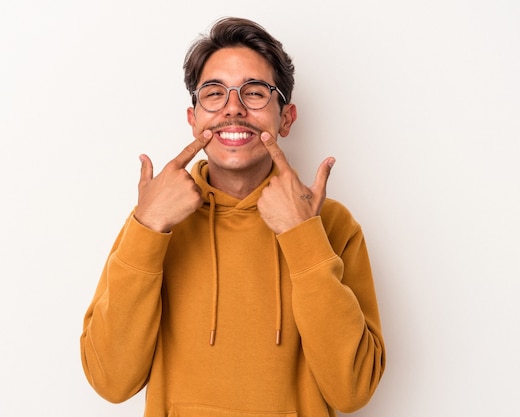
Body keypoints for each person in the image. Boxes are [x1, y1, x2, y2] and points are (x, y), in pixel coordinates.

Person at [80, 16, 385, 417]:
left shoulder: (330, 223)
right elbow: (112, 382)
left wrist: (302, 234)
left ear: (287, 118)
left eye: (255, 93)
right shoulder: (154, 220)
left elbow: (353, 389)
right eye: (214, 93)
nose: (233, 109)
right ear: (194, 120)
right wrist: (148, 228)